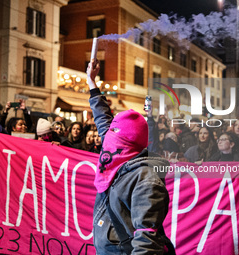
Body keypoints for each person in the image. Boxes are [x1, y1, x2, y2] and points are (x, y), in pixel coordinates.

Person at [87, 59, 175, 255]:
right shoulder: (116, 154)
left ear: (126, 143)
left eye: (113, 134)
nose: (106, 138)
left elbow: (147, 242)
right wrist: (92, 84)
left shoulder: (147, 181)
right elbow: (103, 120)